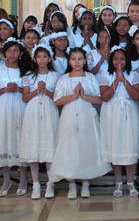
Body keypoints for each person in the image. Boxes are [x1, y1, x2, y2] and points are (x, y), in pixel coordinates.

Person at [51, 48, 110, 199]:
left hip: (87, 116)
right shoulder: (63, 79)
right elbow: (57, 100)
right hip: (69, 116)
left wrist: (84, 96)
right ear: (69, 61)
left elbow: (99, 99)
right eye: (74, 59)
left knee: (86, 147)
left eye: (80, 59)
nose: (77, 62)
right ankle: (71, 184)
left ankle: (85, 183)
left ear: (85, 61)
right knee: (70, 148)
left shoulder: (90, 77)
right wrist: (74, 95)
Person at [0, 38, 31, 197]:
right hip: (3, 107)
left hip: (20, 106)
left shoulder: (25, 69)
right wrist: (3, 90)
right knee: (4, 140)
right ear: (4, 53)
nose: (12, 54)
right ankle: (6, 179)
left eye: (15, 50)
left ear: (20, 53)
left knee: (20, 140)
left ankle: (22, 178)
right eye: (9, 50)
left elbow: (28, 91)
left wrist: (19, 89)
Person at [100, 46, 139, 198]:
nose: (119, 62)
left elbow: (136, 96)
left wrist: (123, 79)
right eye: (116, 59)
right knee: (115, 145)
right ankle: (118, 182)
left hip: (129, 113)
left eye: (122, 59)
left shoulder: (134, 75)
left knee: (129, 145)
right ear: (111, 61)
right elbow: (104, 97)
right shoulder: (105, 75)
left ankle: (130, 181)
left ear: (126, 60)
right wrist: (116, 81)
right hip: (112, 112)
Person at [20, 44, 60, 199]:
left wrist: (46, 91)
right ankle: (36, 183)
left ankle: (51, 183)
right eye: (39, 57)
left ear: (49, 58)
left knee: (50, 143)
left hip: (49, 109)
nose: (42, 59)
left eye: (44, 56)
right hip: (33, 110)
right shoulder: (29, 76)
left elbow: (58, 97)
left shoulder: (55, 76)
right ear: (35, 59)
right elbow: (25, 97)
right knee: (33, 144)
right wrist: (37, 91)